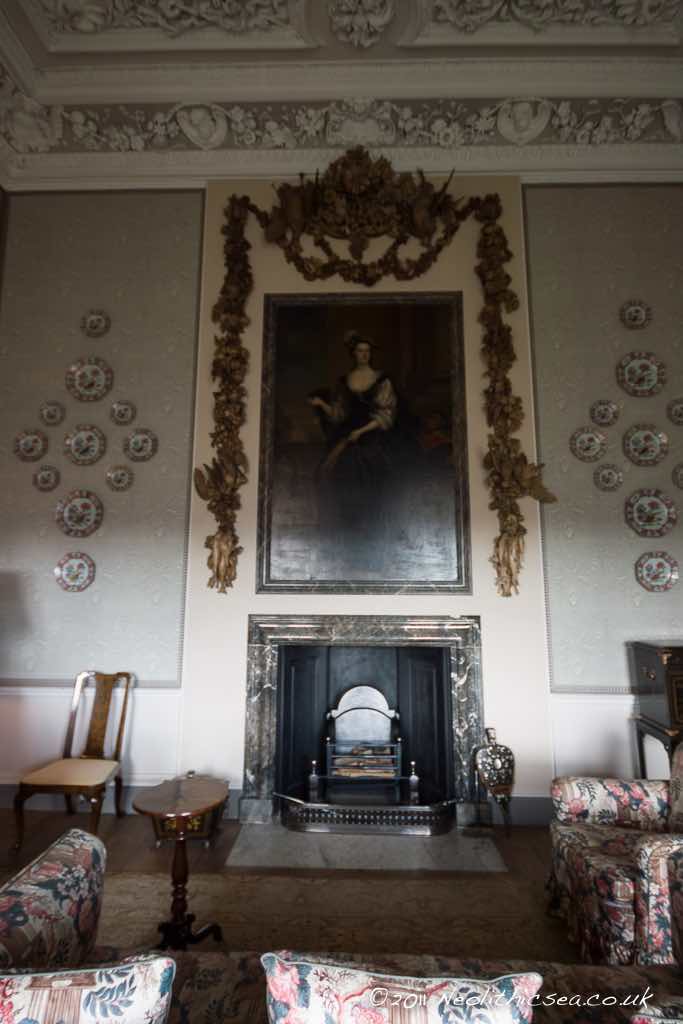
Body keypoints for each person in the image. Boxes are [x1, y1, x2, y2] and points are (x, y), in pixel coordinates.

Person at [307, 331, 400, 569]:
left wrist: (361, 432)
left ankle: (373, 556)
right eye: (360, 351)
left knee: (372, 496)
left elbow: (386, 416)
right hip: (347, 444)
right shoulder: (344, 382)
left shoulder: (382, 380)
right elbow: (338, 415)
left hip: (370, 443)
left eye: (367, 351)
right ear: (353, 354)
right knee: (341, 490)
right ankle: (349, 555)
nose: (364, 355)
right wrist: (322, 404)